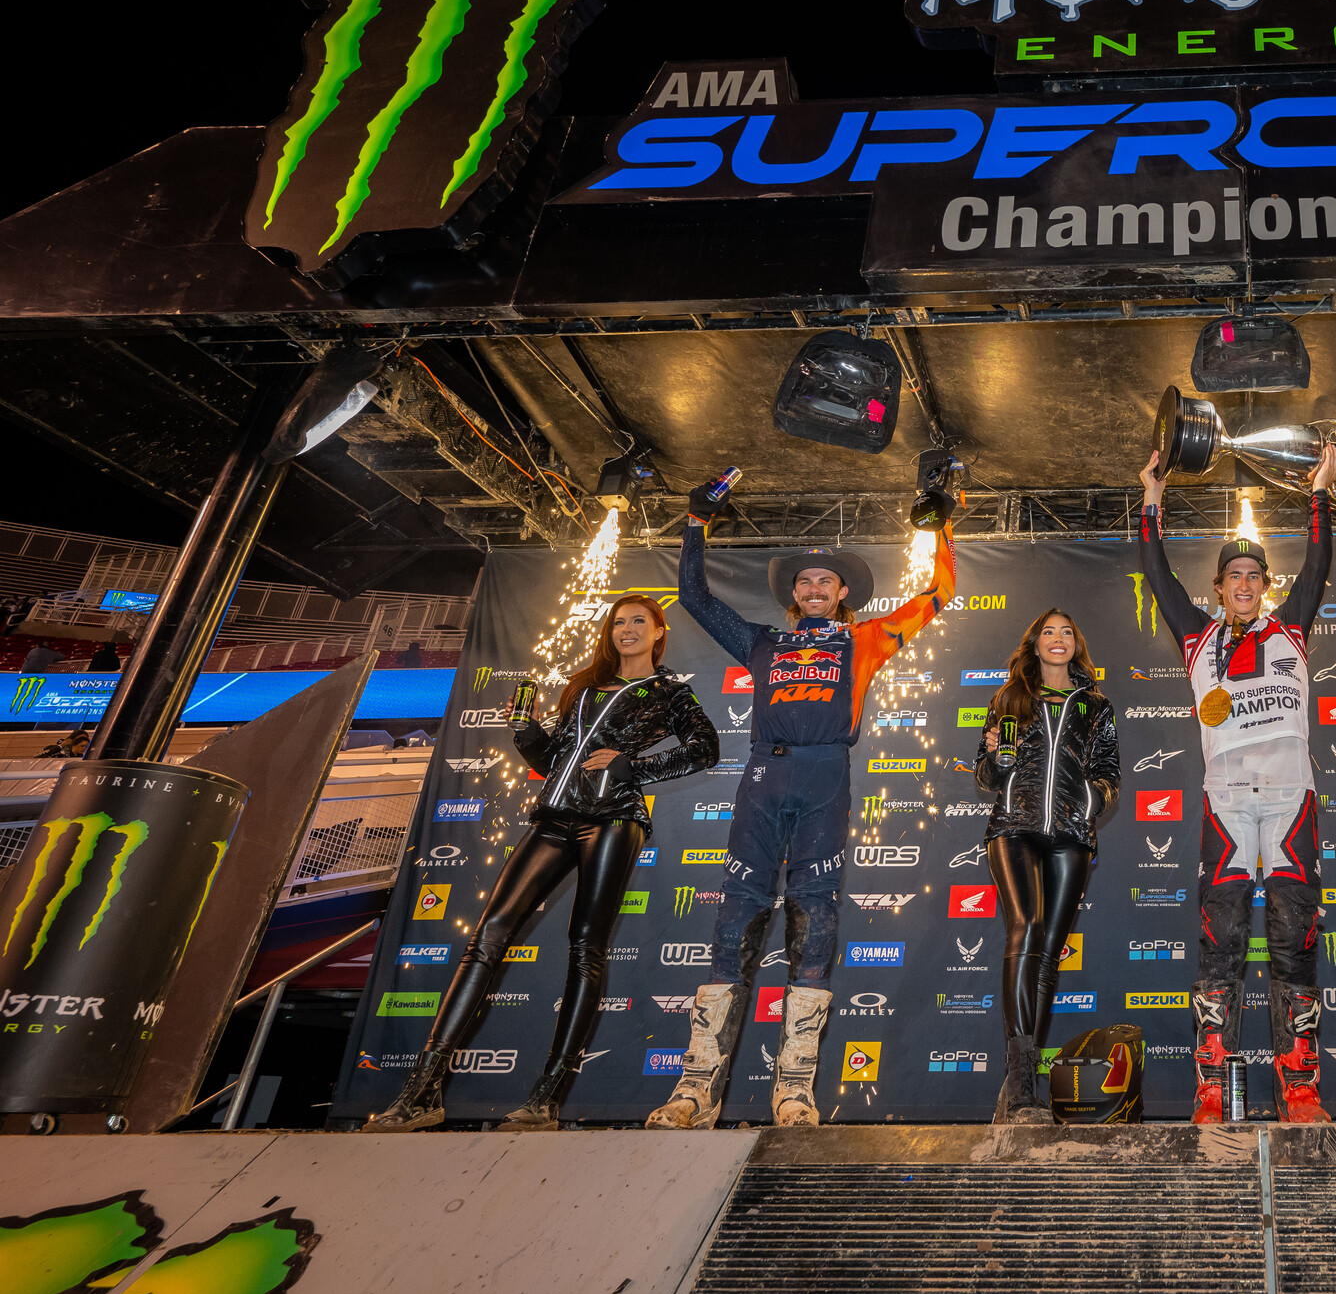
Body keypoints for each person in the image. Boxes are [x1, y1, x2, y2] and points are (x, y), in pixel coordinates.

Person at [652, 482, 955, 1130]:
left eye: (827, 581)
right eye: (807, 582)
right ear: (796, 593)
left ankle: (793, 1093)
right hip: (764, 779)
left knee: (815, 928)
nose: (816, 589)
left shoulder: (865, 641)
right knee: (733, 924)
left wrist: (942, 528)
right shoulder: (760, 642)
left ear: (843, 592)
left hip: (824, 783)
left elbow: (938, 596)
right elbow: (694, 599)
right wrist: (697, 522)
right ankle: (694, 1092)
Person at [366, 595, 717, 1132]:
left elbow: (706, 748)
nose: (626, 630)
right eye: (618, 622)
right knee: (487, 938)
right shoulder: (582, 687)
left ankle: (545, 1099)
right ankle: (422, 1092)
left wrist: (634, 767)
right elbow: (555, 759)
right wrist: (530, 736)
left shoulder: (669, 692)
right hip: (553, 818)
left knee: (585, 949)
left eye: (637, 622)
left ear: (658, 631)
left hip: (613, 822)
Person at [1135, 443, 1336, 1123]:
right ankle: (1212, 1089)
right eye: (1234, 576)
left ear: (1266, 584)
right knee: (1219, 948)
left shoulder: (1293, 631)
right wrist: (1152, 500)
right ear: (1219, 587)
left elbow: (1318, 563)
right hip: (1225, 807)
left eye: (1255, 574)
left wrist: (1320, 494)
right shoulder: (1197, 638)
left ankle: (1300, 1089)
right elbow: (1157, 575)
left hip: (1289, 805)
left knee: (1294, 943)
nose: (1245, 583)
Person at [975, 610, 1120, 1123]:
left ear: (1075, 644)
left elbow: (1109, 773)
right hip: (1013, 828)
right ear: (1033, 643)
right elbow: (986, 773)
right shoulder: (1009, 697)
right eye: (1047, 632)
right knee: (1026, 928)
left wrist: (1088, 802)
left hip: (1071, 838)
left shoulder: (1097, 706)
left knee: (1050, 954)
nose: (1057, 639)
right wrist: (998, 759)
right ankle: (1018, 1086)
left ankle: (1023, 1086)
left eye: (1066, 631)